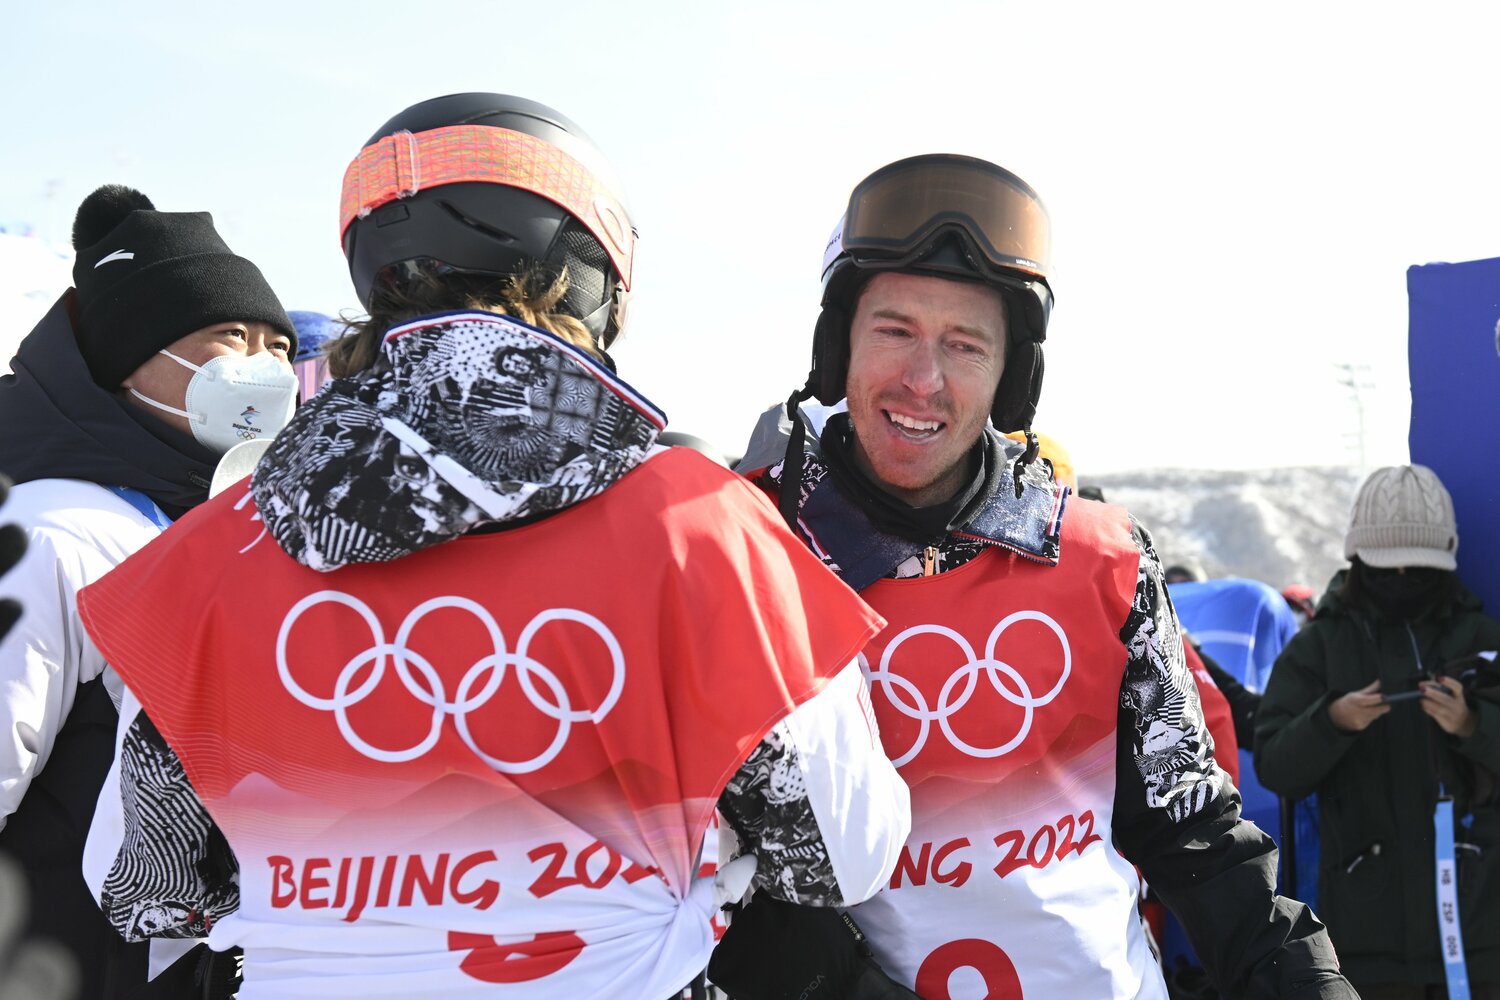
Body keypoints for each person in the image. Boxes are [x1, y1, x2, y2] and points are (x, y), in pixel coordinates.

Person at [75, 94, 911, 999]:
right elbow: (841, 851)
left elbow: (138, 883)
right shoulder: (702, 526)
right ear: (593, 271)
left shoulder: (216, 550)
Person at [732, 153, 1354, 998]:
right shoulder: (750, 556)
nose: (924, 379)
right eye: (894, 330)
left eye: (965, 344)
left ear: (1011, 376)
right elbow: (715, 873)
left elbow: (1199, 839)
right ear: (838, 343)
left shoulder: (1104, 562)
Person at [0, 185, 298, 998]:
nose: (262, 367)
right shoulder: (52, 530)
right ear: (131, 355)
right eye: (228, 337)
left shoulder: (199, 526)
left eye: (276, 344)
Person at [1256, 464, 1500, 998]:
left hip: (1482, 931)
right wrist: (1332, 721)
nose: (1402, 580)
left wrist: (1472, 725)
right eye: (1386, 567)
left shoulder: (1482, 639)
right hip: (1365, 937)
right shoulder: (1319, 646)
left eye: (1418, 567)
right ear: (1359, 559)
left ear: (1445, 559)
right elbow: (1274, 765)